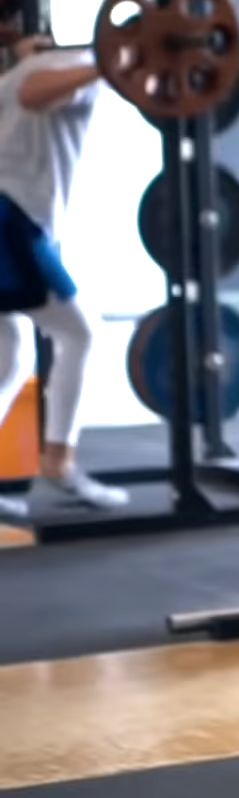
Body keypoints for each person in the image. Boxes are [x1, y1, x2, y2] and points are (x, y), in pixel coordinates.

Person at [0, 35, 129, 518]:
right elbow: (34, 94)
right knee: (81, 333)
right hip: (12, 224)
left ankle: (57, 463)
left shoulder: (27, 67)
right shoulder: (75, 64)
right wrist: (104, 69)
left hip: (14, 220)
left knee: (9, 357)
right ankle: (59, 464)